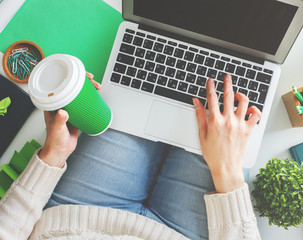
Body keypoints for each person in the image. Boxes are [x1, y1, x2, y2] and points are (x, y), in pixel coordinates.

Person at [0, 73, 261, 240]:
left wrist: (52, 156)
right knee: (226, 97)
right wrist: (227, 172)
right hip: (186, 234)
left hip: (76, 218)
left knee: (135, 85)